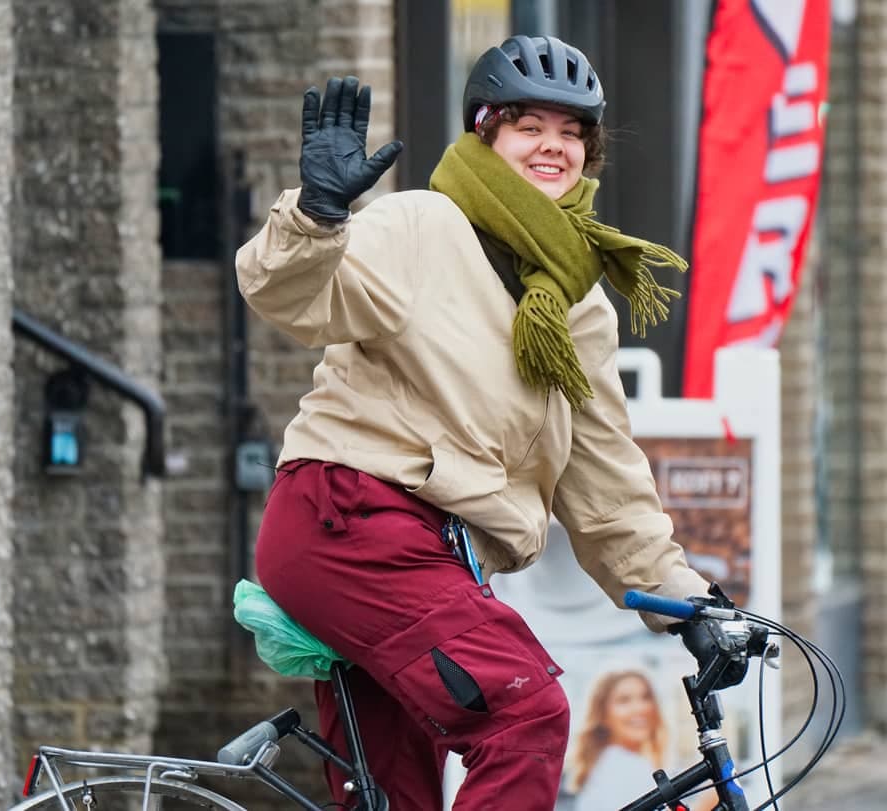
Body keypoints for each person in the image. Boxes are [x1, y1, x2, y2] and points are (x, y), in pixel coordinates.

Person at [236, 34, 744, 810]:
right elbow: (293, 297)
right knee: (524, 711)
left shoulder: (578, 302)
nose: (553, 146)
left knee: (396, 798)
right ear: (485, 133)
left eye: (571, 132)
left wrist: (685, 599)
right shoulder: (422, 227)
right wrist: (316, 215)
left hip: (434, 553)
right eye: (529, 126)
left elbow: (604, 479)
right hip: (350, 522)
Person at [570, 670, 667, 811]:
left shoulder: (606, 763)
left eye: (646, 697)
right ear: (602, 714)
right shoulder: (626, 767)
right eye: (624, 700)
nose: (639, 708)